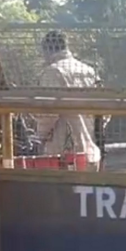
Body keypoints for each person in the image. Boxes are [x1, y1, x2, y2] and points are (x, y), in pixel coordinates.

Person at [36, 30, 102, 165]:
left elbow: (48, 113)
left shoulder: (52, 72)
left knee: (61, 185)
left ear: (47, 50)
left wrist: (40, 137)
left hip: (61, 147)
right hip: (90, 144)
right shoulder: (88, 70)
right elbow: (102, 109)